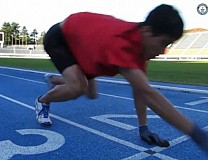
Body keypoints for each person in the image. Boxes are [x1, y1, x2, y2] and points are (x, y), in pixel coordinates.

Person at [35, 4, 208, 151]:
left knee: (91, 93)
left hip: (85, 47)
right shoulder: (121, 44)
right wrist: (197, 134)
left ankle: (56, 80)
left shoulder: (140, 45)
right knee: (78, 87)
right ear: (147, 31)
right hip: (61, 38)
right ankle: (42, 101)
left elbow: (140, 90)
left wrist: (143, 128)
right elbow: (148, 94)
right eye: (163, 42)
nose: (163, 51)